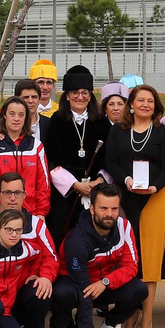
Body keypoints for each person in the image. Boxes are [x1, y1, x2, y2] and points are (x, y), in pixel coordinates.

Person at [104, 83, 165, 328]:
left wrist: (155, 186)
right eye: (141, 100)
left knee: (151, 259)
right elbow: (110, 161)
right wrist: (125, 180)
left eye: (151, 101)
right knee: (129, 256)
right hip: (126, 197)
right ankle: (129, 311)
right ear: (130, 104)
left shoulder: (164, 132)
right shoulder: (118, 131)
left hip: (156, 198)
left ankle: (147, 316)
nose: (146, 104)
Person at [49, 185, 144, 328]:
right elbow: (82, 286)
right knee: (61, 292)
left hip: (101, 285)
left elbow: (131, 267)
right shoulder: (77, 240)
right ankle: (58, 327)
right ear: (92, 209)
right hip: (76, 286)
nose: (109, 214)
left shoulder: (124, 226)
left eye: (114, 208)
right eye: (103, 208)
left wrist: (105, 282)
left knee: (139, 289)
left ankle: (110, 325)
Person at [45, 65, 106, 243]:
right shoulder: (56, 121)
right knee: (62, 233)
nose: (80, 97)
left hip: (96, 188)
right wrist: (74, 184)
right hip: (65, 190)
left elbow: (110, 158)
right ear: (67, 95)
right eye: (75, 92)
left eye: (85, 92)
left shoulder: (101, 121)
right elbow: (51, 159)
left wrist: (98, 182)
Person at [0, 97, 51, 216]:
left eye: (21, 115)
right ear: (4, 115)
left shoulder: (36, 146)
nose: (16, 119)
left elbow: (43, 185)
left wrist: (41, 213)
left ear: (26, 118)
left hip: (30, 213)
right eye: (12, 114)